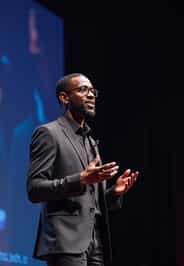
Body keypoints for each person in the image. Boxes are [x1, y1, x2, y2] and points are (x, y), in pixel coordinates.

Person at [27, 73, 139, 266]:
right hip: (65, 241)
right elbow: (34, 189)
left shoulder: (91, 142)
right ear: (64, 98)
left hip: (96, 242)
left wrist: (113, 194)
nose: (91, 95)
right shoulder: (49, 133)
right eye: (83, 90)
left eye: (92, 91)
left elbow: (92, 202)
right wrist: (80, 179)